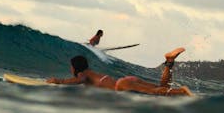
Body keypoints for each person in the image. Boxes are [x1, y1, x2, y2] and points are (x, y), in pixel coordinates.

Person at [47, 47, 193, 96]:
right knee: (163, 89)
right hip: (126, 81)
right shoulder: (91, 72)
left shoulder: (83, 74)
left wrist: (58, 81)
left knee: (158, 92)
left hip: (122, 86)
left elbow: (80, 80)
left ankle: (183, 92)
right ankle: (169, 62)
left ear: (75, 67)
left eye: (71, 67)